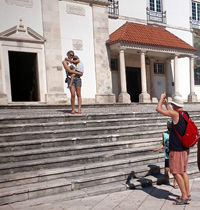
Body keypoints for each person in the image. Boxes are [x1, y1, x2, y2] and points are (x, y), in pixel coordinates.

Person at [156, 93, 190, 205]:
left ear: (175, 104)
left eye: (172, 104)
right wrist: (167, 105)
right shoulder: (185, 114)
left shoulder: (175, 114)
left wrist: (161, 99)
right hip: (184, 148)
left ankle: (184, 196)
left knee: (175, 172)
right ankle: (187, 194)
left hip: (176, 149)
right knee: (183, 171)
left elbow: (158, 109)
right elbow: (173, 116)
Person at [153, 119, 178, 188]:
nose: (169, 126)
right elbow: (163, 144)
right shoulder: (164, 134)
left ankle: (175, 184)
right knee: (166, 169)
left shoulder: (176, 134)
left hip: (174, 154)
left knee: (175, 171)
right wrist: (158, 148)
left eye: (171, 125)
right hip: (167, 154)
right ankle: (166, 175)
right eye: (168, 125)